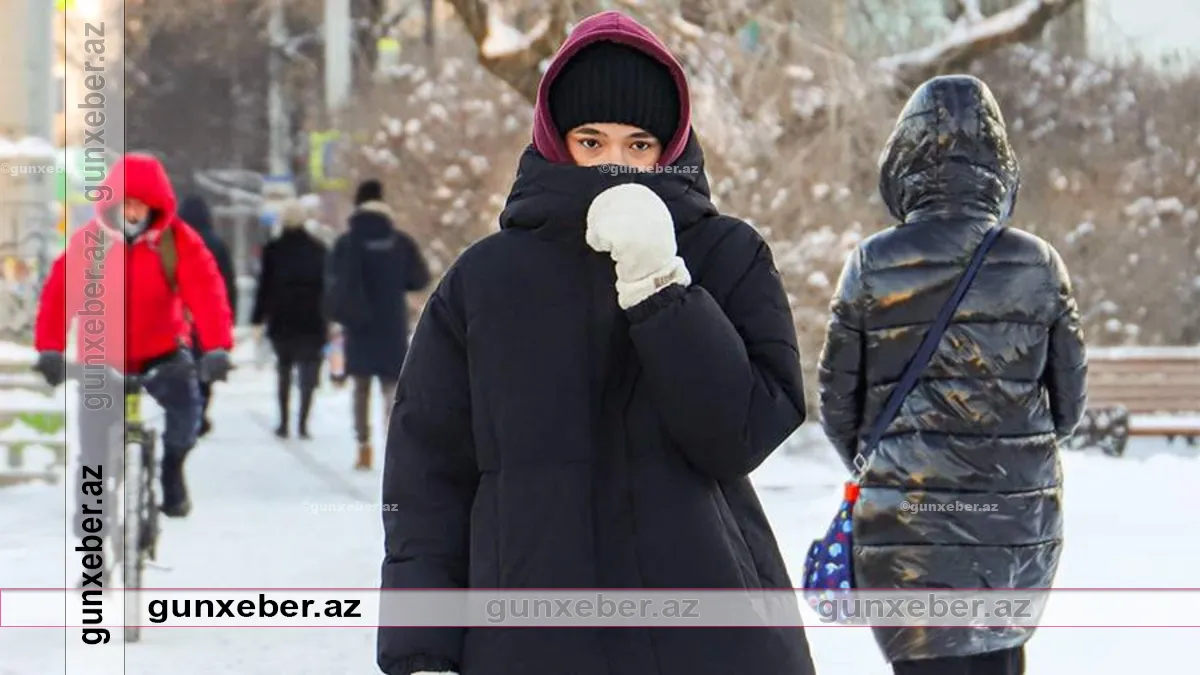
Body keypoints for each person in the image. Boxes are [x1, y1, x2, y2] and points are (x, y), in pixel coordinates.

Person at [378, 11, 815, 675]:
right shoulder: (486, 279)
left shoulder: (727, 256)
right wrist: (422, 647)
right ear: (558, 142)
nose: (615, 166)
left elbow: (742, 432)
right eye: (592, 140)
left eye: (639, 145)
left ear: (670, 148)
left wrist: (663, 290)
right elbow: (427, 479)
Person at [816, 75, 1088, 675]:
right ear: (999, 165)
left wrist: (891, 464)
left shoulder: (872, 263)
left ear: (904, 161)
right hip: (1013, 523)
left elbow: (838, 405)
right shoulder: (1039, 263)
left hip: (906, 522)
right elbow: (1068, 407)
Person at [33, 152, 234, 519]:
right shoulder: (89, 244)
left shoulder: (177, 242)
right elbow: (60, 295)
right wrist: (50, 348)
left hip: (162, 351)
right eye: (125, 204)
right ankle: (94, 502)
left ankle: (172, 470)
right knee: (94, 438)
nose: (132, 213)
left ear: (155, 207)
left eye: (141, 205)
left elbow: (207, 291)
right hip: (104, 355)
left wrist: (217, 347)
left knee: (187, 413)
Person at [326, 179, 429, 470]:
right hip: (391, 325)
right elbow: (419, 278)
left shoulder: (346, 242)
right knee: (392, 389)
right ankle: (394, 448)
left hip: (358, 325)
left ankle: (364, 446)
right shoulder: (399, 241)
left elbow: (333, 283)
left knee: (360, 388)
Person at [250, 199, 330, 439]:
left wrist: (258, 318)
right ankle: (303, 423)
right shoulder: (319, 249)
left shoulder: (273, 249)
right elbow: (327, 288)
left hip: (281, 318)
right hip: (312, 319)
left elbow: (264, 287)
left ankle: (284, 422)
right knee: (308, 371)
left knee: (283, 369)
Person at [178, 193, 239, 437]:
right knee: (206, 366)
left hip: (181, 316)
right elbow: (227, 282)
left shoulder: (173, 242)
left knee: (183, 364)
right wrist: (228, 315)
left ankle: (188, 411)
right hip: (208, 316)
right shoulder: (216, 243)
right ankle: (200, 411)